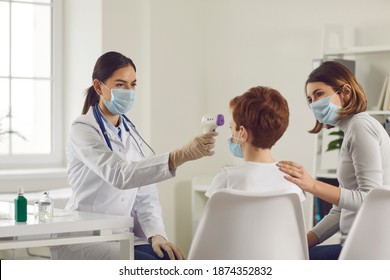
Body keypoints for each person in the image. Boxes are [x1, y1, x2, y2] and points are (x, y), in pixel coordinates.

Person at [51, 51, 217, 260]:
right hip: (86, 238)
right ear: (98, 86)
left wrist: (156, 235)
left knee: (169, 259)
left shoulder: (130, 130)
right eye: (120, 85)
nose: (128, 91)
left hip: (122, 235)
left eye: (133, 84)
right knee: (149, 265)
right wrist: (180, 155)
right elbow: (119, 175)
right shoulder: (83, 129)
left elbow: (145, 193)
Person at [277, 61, 390, 260]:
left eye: (319, 94)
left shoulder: (360, 127)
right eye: (310, 99)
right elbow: (340, 210)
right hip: (354, 246)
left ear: (345, 91)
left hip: (366, 251)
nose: (314, 103)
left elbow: (370, 200)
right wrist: (303, 241)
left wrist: (312, 185)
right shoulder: (353, 129)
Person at [206, 86, 305, 202]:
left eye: (231, 127)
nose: (230, 133)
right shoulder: (293, 182)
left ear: (242, 133)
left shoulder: (226, 179)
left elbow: (210, 220)